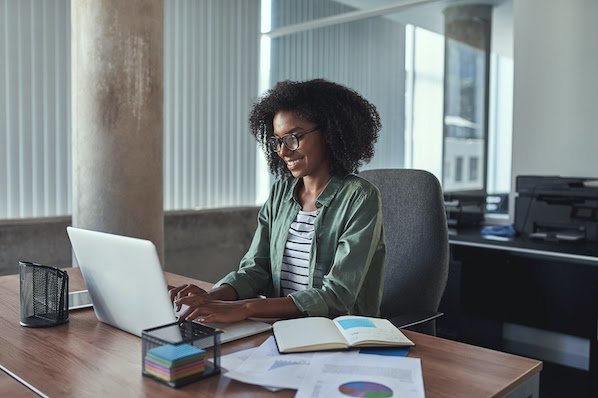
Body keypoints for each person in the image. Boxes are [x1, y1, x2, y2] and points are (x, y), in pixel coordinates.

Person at [170, 79, 386, 323]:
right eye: (277, 141)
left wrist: (246, 308)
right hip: (280, 328)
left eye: (293, 137)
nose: (283, 151)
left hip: (339, 334)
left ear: (329, 133)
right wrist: (212, 297)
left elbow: (337, 296)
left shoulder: (360, 197)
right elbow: (256, 269)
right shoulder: (280, 193)